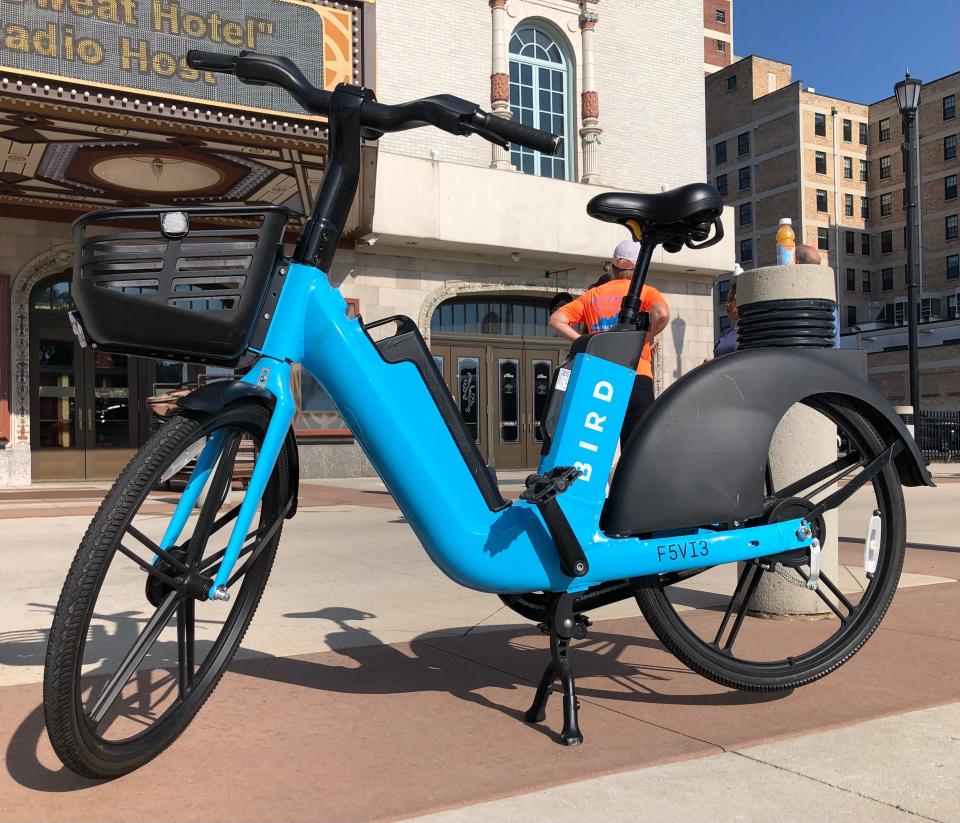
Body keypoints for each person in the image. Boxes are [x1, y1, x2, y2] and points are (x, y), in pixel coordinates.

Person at [548, 240, 670, 446]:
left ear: (613, 267)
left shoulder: (593, 295)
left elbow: (556, 319)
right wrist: (644, 340)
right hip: (636, 375)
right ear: (639, 267)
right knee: (635, 448)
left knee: (595, 446)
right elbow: (661, 313)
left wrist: (586, 343)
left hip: (599, 377)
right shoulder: (646, 292)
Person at [714, 278, 738, 356]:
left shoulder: (752, 334)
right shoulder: (724, 334)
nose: (727, 305)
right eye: (727, 301)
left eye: (731, 300)